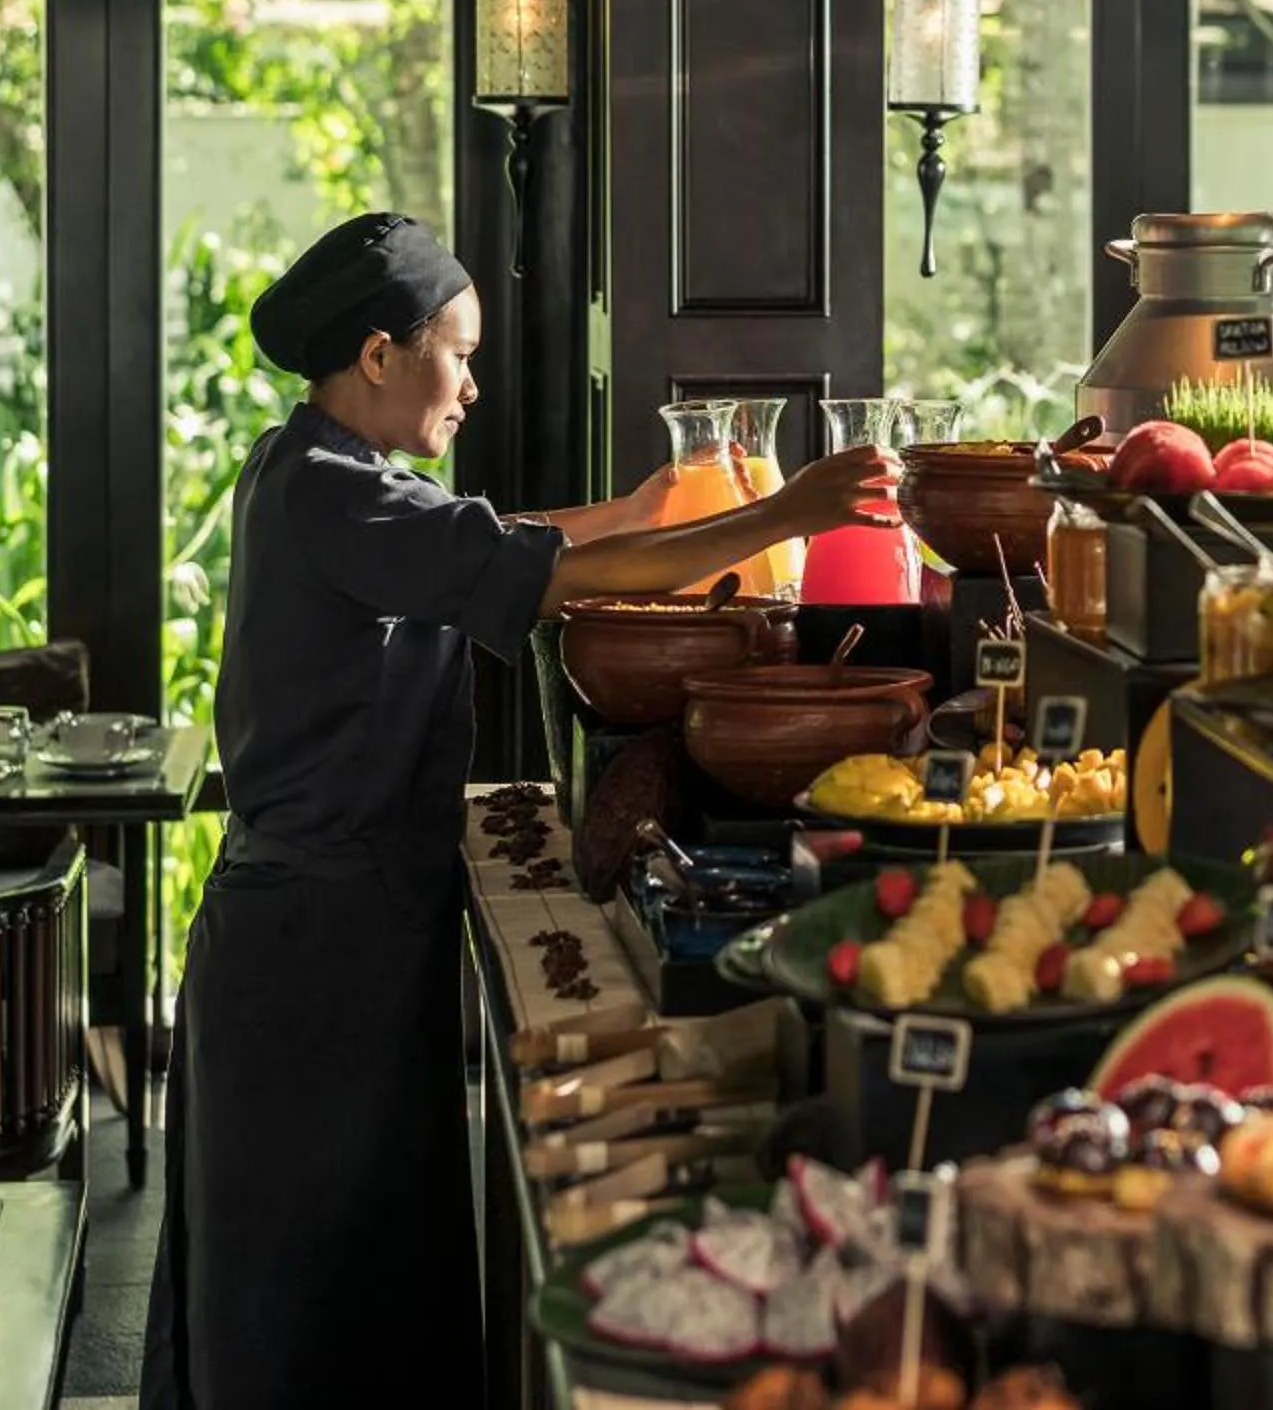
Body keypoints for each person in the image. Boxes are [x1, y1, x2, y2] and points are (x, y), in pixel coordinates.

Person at [143, 212, 895, 1409]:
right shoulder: (340, 500)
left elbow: (492, 542)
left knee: (359, 1275)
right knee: (299, 1295)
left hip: (344, 928)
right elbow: (555, 578)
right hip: (309, 959)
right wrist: (789, 516)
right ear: (381, 356)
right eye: (460, 352)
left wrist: (646, 507)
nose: (474, 386)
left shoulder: (325, 471)